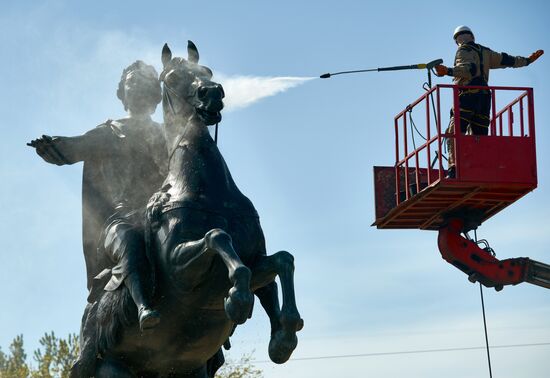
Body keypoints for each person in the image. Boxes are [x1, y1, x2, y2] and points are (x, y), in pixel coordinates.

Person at [28, 61, 167, 330]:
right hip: (122, 218)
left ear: (154, 94)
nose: (137, 86)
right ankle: (142, 307)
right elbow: (73, 147)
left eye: (143, 82)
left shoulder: (165, 133)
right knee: (129, 238)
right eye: (131, 82)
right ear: (123, 95)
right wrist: (53, 147)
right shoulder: (111, 132)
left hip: (161, 213)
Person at [434, 25, 543, 178]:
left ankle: (454, 168)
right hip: (484, 99)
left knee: (454, 133)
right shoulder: (486, 52)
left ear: (457, 40)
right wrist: (527, 61)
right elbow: (507, 60)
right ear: (472, 36)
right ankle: (478, 167)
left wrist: (448, 71)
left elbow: (468, 70)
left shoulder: (462, 50)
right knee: (479, 137)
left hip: (467, 97)